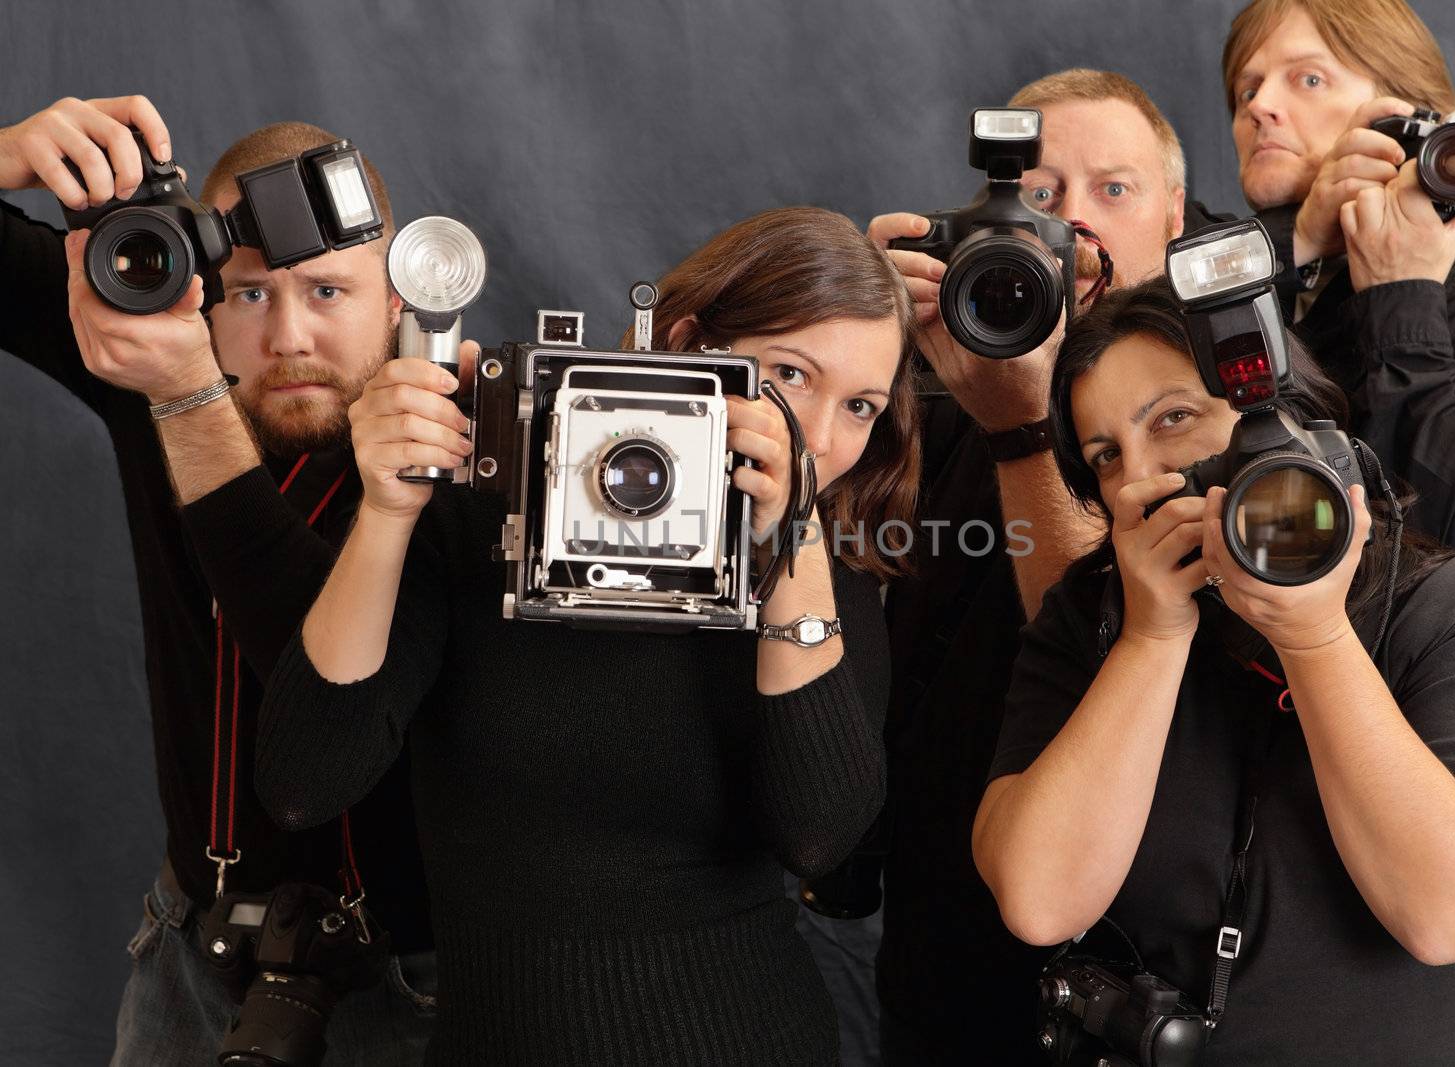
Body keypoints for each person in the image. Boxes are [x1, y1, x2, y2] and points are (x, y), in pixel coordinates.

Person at [255, 205, 918, 1064]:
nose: (820, 438)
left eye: (860, 405)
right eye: (790, 376)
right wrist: (388, 508)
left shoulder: (822, 585)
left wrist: (792, 544)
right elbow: (305, 780)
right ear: (685, 347)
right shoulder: (475, 519)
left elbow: (821, 840)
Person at [974, 279, 1455, 1066]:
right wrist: (1152, 638)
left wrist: (1315, 633)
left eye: (1174, 419)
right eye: (1106, 459)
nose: (1144, 476)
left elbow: (1442, 912)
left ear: (1286, 421)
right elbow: (1038, 898)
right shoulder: (1091, 623)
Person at [0, 96, 437, 1063]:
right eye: (248, 293)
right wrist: (6, 152)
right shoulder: (148, 360)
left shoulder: (455, 449)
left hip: (402, 979)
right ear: (185, 289)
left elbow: (316, 703)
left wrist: (188, 398)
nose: (288, 337)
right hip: (191, 953)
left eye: (328, 292)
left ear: (400, 300)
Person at [1222, 2, 1455, 1057]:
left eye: (1303, 79)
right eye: (1245, 87)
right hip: (1230, 838)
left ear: (1406, 115)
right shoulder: (1215, 303)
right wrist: (1284, 282)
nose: (1258, 103)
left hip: (1451, 841)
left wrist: (1398, 294)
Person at [864, 69, 1205, 1064]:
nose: (1075, 225)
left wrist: (1021, 426)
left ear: (1175, 216)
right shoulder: (923, 378)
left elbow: (1116, 635)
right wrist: (852, 346)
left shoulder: (1215, 414)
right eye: (1042, 196)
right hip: (940, 919)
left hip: (1136, 949)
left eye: (1114, 189)